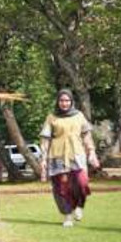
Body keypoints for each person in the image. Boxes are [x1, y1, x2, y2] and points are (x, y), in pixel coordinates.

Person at [39, 89, 100, 227]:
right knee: (61, 187)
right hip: (57, 155)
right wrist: (43, 159)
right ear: (58, 102)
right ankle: (67, 216)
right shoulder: (51, 117)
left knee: (82, 182)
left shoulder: (79, 115)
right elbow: (45, 139)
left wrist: (91, 152)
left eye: (67, 100)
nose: (64, 103)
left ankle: (79, 205)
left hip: (76, 154)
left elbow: (87, 135)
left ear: (71, 101)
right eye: (61, 100)